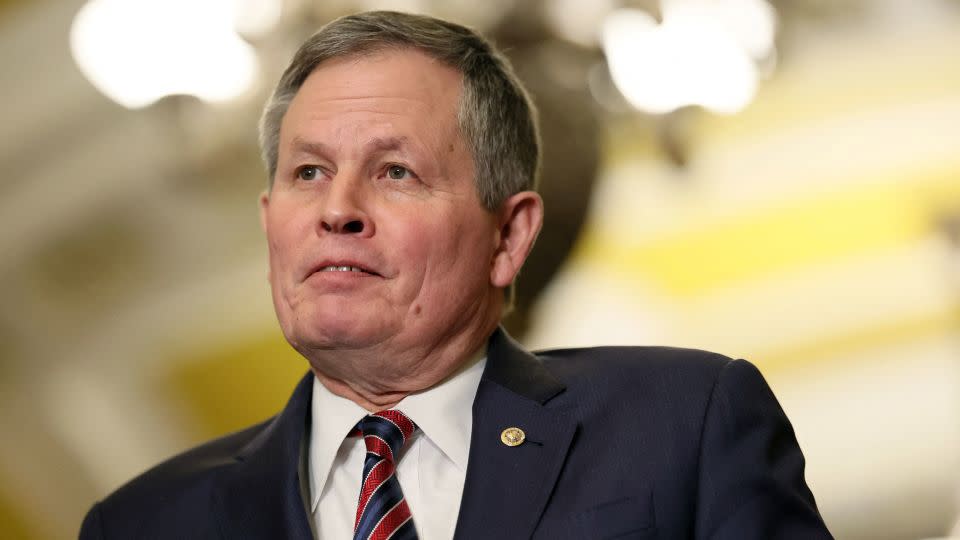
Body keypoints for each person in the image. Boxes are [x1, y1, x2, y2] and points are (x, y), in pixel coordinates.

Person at [79, 10, 832, 540]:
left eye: (395, 171)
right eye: (308, 171)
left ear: (509, 235)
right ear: (269, 216)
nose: (337, 210)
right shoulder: (143, 522)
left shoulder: (684, 425)